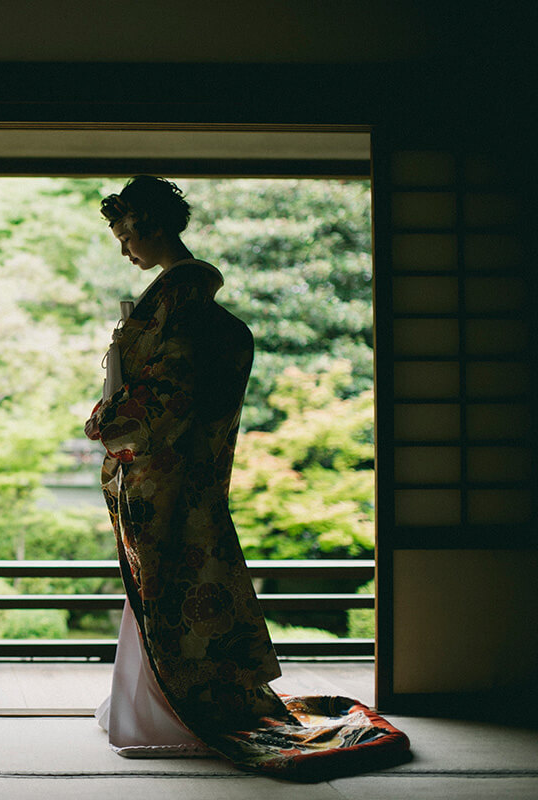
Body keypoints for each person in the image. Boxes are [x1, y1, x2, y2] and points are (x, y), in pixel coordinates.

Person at [85, 176, 409, 781]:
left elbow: (163, 397)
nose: (125, 249)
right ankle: (145, 707)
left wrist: (107, 414)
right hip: (192, 472)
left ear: (153, 227)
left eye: (128, 235)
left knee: (168, 589)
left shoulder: (178, 309)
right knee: (178, 583)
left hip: (164, 472)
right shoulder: (191, 309)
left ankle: (168, 712)